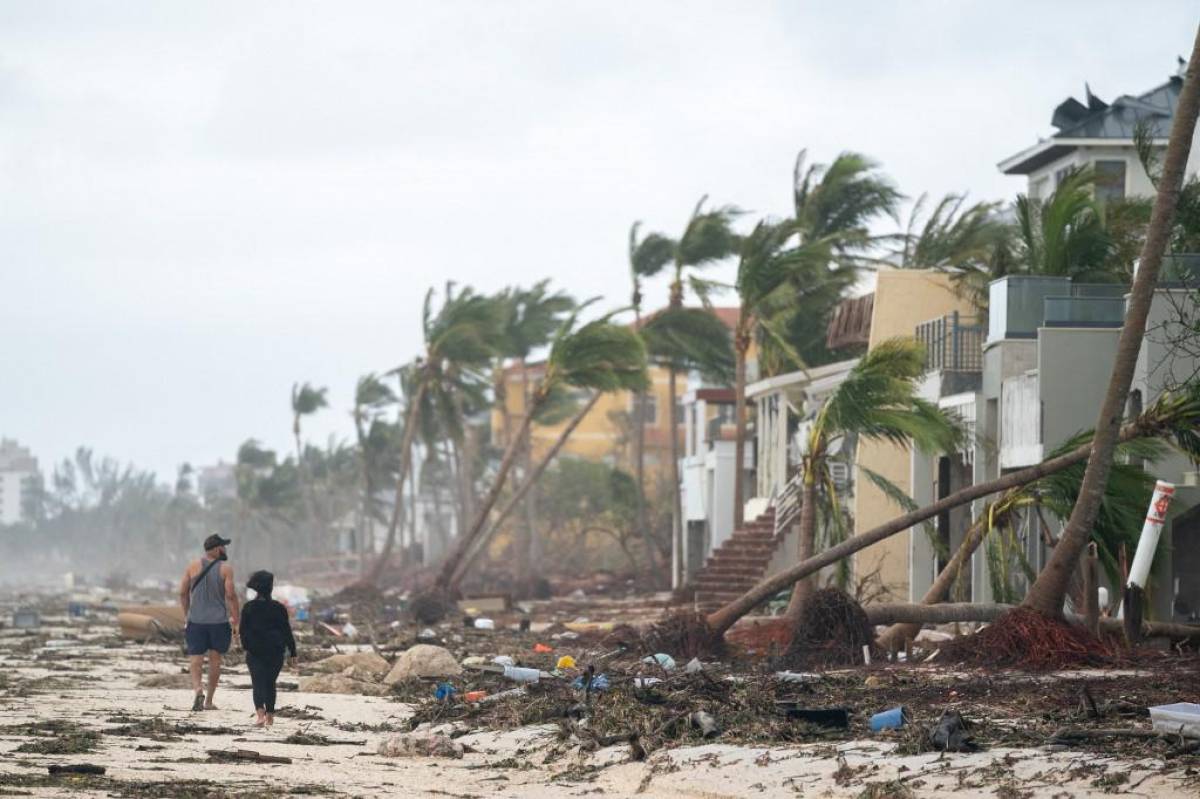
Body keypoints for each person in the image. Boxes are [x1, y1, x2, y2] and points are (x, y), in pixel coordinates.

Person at [179, 533, 239, 712]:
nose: (225, 549)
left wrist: (187, 614)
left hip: (195, 621)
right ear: (216, 549)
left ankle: (198, 689)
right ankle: (209, 701)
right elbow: (230, 594)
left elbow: (182, 592)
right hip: (218, 622)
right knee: (215, 661)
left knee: (195, 659)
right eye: (223, 546)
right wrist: (236, 619)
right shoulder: (226, 569)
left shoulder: (192, 566)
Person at [239, 570, 297, 727]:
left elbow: (242, 631)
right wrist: (293, 651)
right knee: (270, 683)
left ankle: (260, 715)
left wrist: (246, 647)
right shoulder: (279, 608)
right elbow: (286, 630)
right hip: (275, 651)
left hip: (255, 652)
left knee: (257, 683)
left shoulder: (249, 608)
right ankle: (270, 716)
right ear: (270, 588)